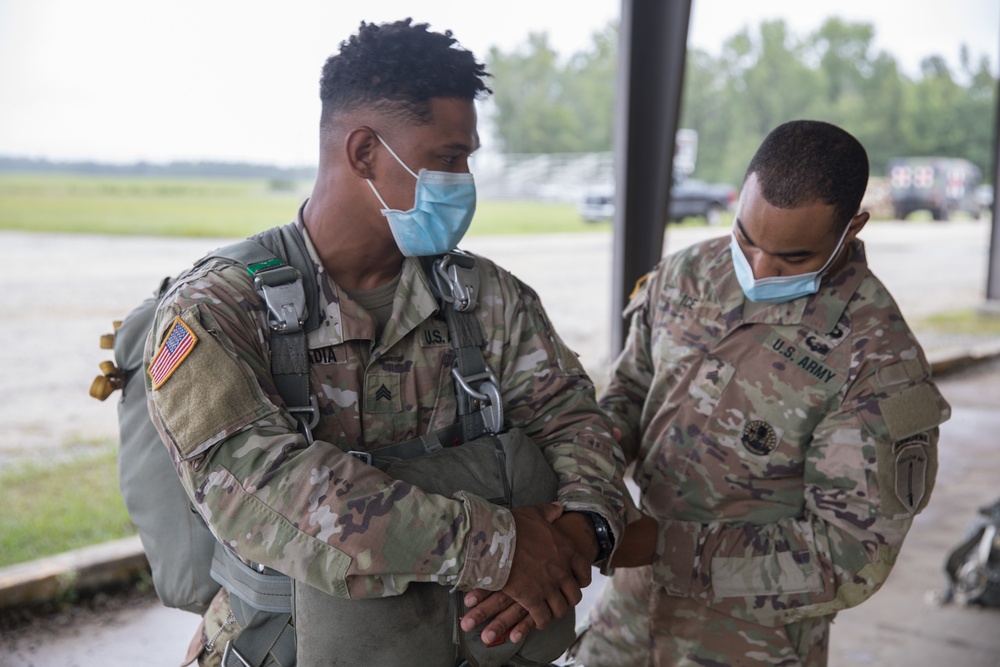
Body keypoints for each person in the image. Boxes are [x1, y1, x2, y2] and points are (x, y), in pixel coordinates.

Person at [144, 18, 626, 667]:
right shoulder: (217, 309)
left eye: (468, 158)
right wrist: (502, 548)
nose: (465, 181)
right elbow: (262, 485)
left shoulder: (487, 297)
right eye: (448, 158)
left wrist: (579, 531)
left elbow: (577, 422)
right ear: (365, 151)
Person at [570, 120, 952, 666]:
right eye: (745, 238)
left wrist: (659, 546)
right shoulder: (688, 274)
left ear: (852, 228)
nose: (758, 267)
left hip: (748, 642)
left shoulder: (878, 361)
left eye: (792, 258)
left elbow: (848, 558)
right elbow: (633, 385)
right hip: (626, 619)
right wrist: (596, 453)